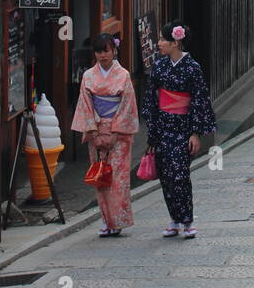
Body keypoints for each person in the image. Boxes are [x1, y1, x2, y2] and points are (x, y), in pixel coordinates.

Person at [143, 21, 216, 238]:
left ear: (175, 42)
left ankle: (187, 220)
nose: (159, 43)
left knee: (180, 175)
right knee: (166, 175)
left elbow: (199, 99)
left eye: (163, 40)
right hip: (163, 125)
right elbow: (151, 98)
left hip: (183, 128)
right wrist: (152, 130)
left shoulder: (192, 67)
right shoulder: (159, 66)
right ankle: (174, 218)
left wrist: (195, 132)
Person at [71, 33, 139, 237]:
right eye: (99, 51)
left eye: (106, 51)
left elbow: (127, 106)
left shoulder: (123, 75)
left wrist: (115, 132)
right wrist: (93, 131)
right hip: (96, 130)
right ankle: (105, 220)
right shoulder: (88, 76)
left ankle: (117, 220)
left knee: (118, 178)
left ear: (114, 50)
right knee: (100, 177)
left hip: (119, 133)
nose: (102, 55)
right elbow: (85, 105)